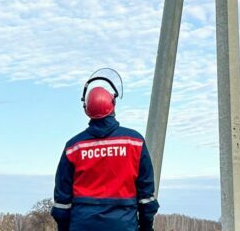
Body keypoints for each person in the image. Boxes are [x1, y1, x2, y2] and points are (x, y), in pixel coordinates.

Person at [51, 70, 159, 231]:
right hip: (123, 225)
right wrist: (146, 226)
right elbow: (146, 195)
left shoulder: (73, 147)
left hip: (82, 224)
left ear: (86, 109)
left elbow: (62, 201)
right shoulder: (134, 141)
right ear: (113, 104)